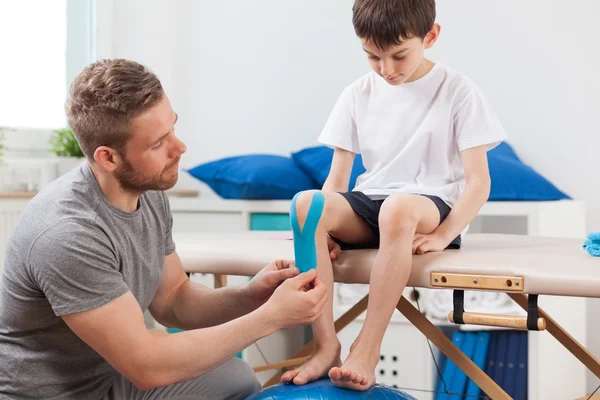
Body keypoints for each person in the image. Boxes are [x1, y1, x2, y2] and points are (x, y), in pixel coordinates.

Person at [0, 59, 327, 400]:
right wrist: (270, 318)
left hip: (110, 379)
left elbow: (174, 300)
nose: (179, 148)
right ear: (108, 158)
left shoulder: (148, 191)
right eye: (158, 144)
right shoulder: (66, 234)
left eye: (173, 127)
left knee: (236, 377)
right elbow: (147, 366)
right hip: (49, 395)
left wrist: (253, 296)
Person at [282, 0, 507, 391]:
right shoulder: (356, 93)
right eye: (373, 57)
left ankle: (367, 347)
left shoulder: (457, 91)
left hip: (429, 209)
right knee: (307, 204)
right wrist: (327, 231)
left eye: (398, 56)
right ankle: (325, 345)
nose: (386, 70)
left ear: (430, 36)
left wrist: (442, 234)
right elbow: (336, 180)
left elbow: (478, 183)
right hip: (374, 204)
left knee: (398, 208)